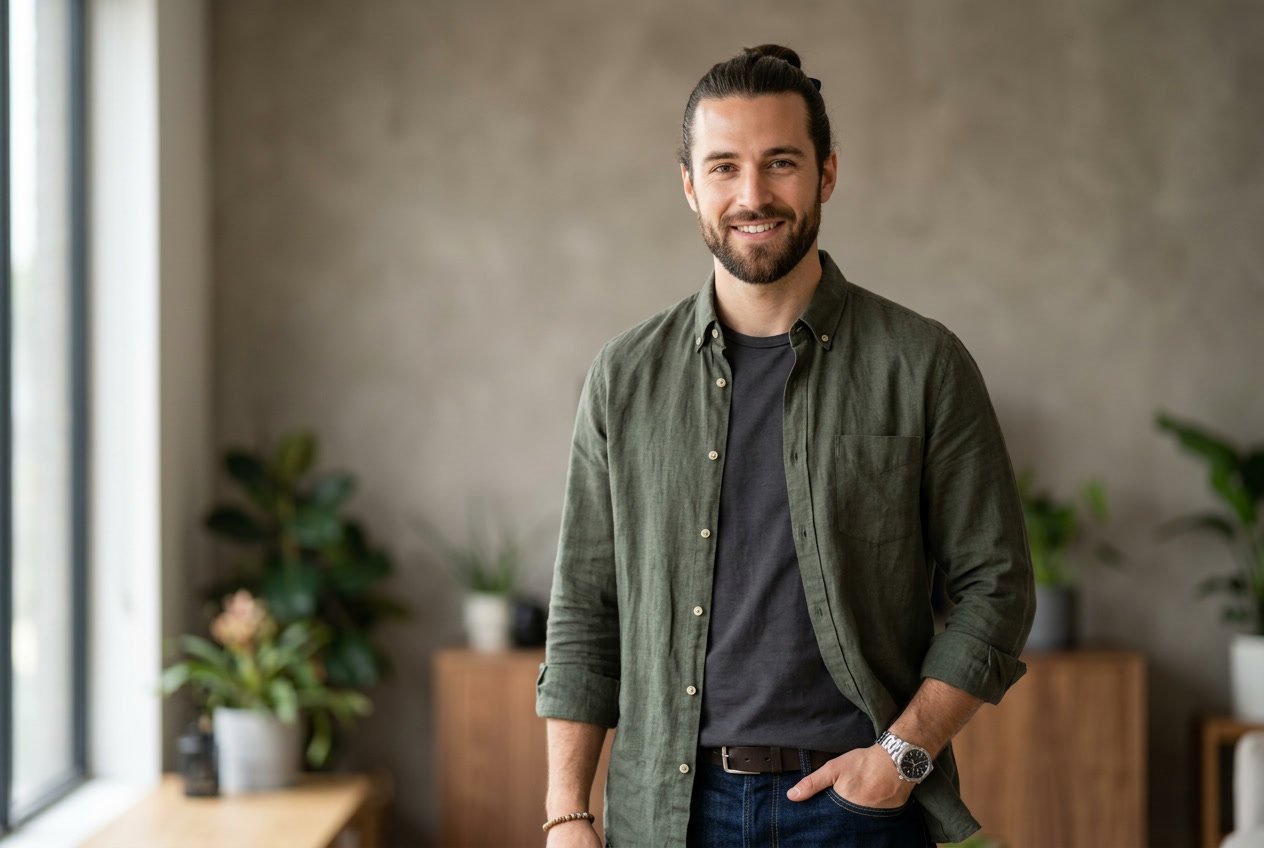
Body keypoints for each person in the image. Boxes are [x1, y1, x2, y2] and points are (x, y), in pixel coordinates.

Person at [536, 44, 1034, 848]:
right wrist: (567, 811)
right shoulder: (624, 376)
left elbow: (997, 585)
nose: (753, 194)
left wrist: (901, 757)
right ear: (692, 187)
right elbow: (585, 609)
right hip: (668, 815)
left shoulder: (922, 362)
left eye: (781, 163)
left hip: (857, 811)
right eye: (725, 167)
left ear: (827, 174)